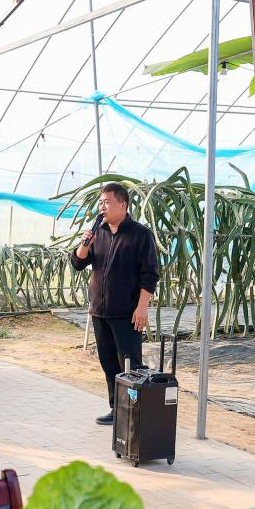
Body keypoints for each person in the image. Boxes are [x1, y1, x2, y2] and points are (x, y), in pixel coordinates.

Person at [70, 182, 160, 425]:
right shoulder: (97, 233)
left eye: (107, 202)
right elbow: (78, 263)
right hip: (100, 311)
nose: (103, 207)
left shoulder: (140, 234)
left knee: (130, 364)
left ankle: (135, 411)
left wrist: (142, 307)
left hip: (127, 312)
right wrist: (85, 243)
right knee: (108, 363)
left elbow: (150, 274)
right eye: (100, 203)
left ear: (123, 204)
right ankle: (116, 408)